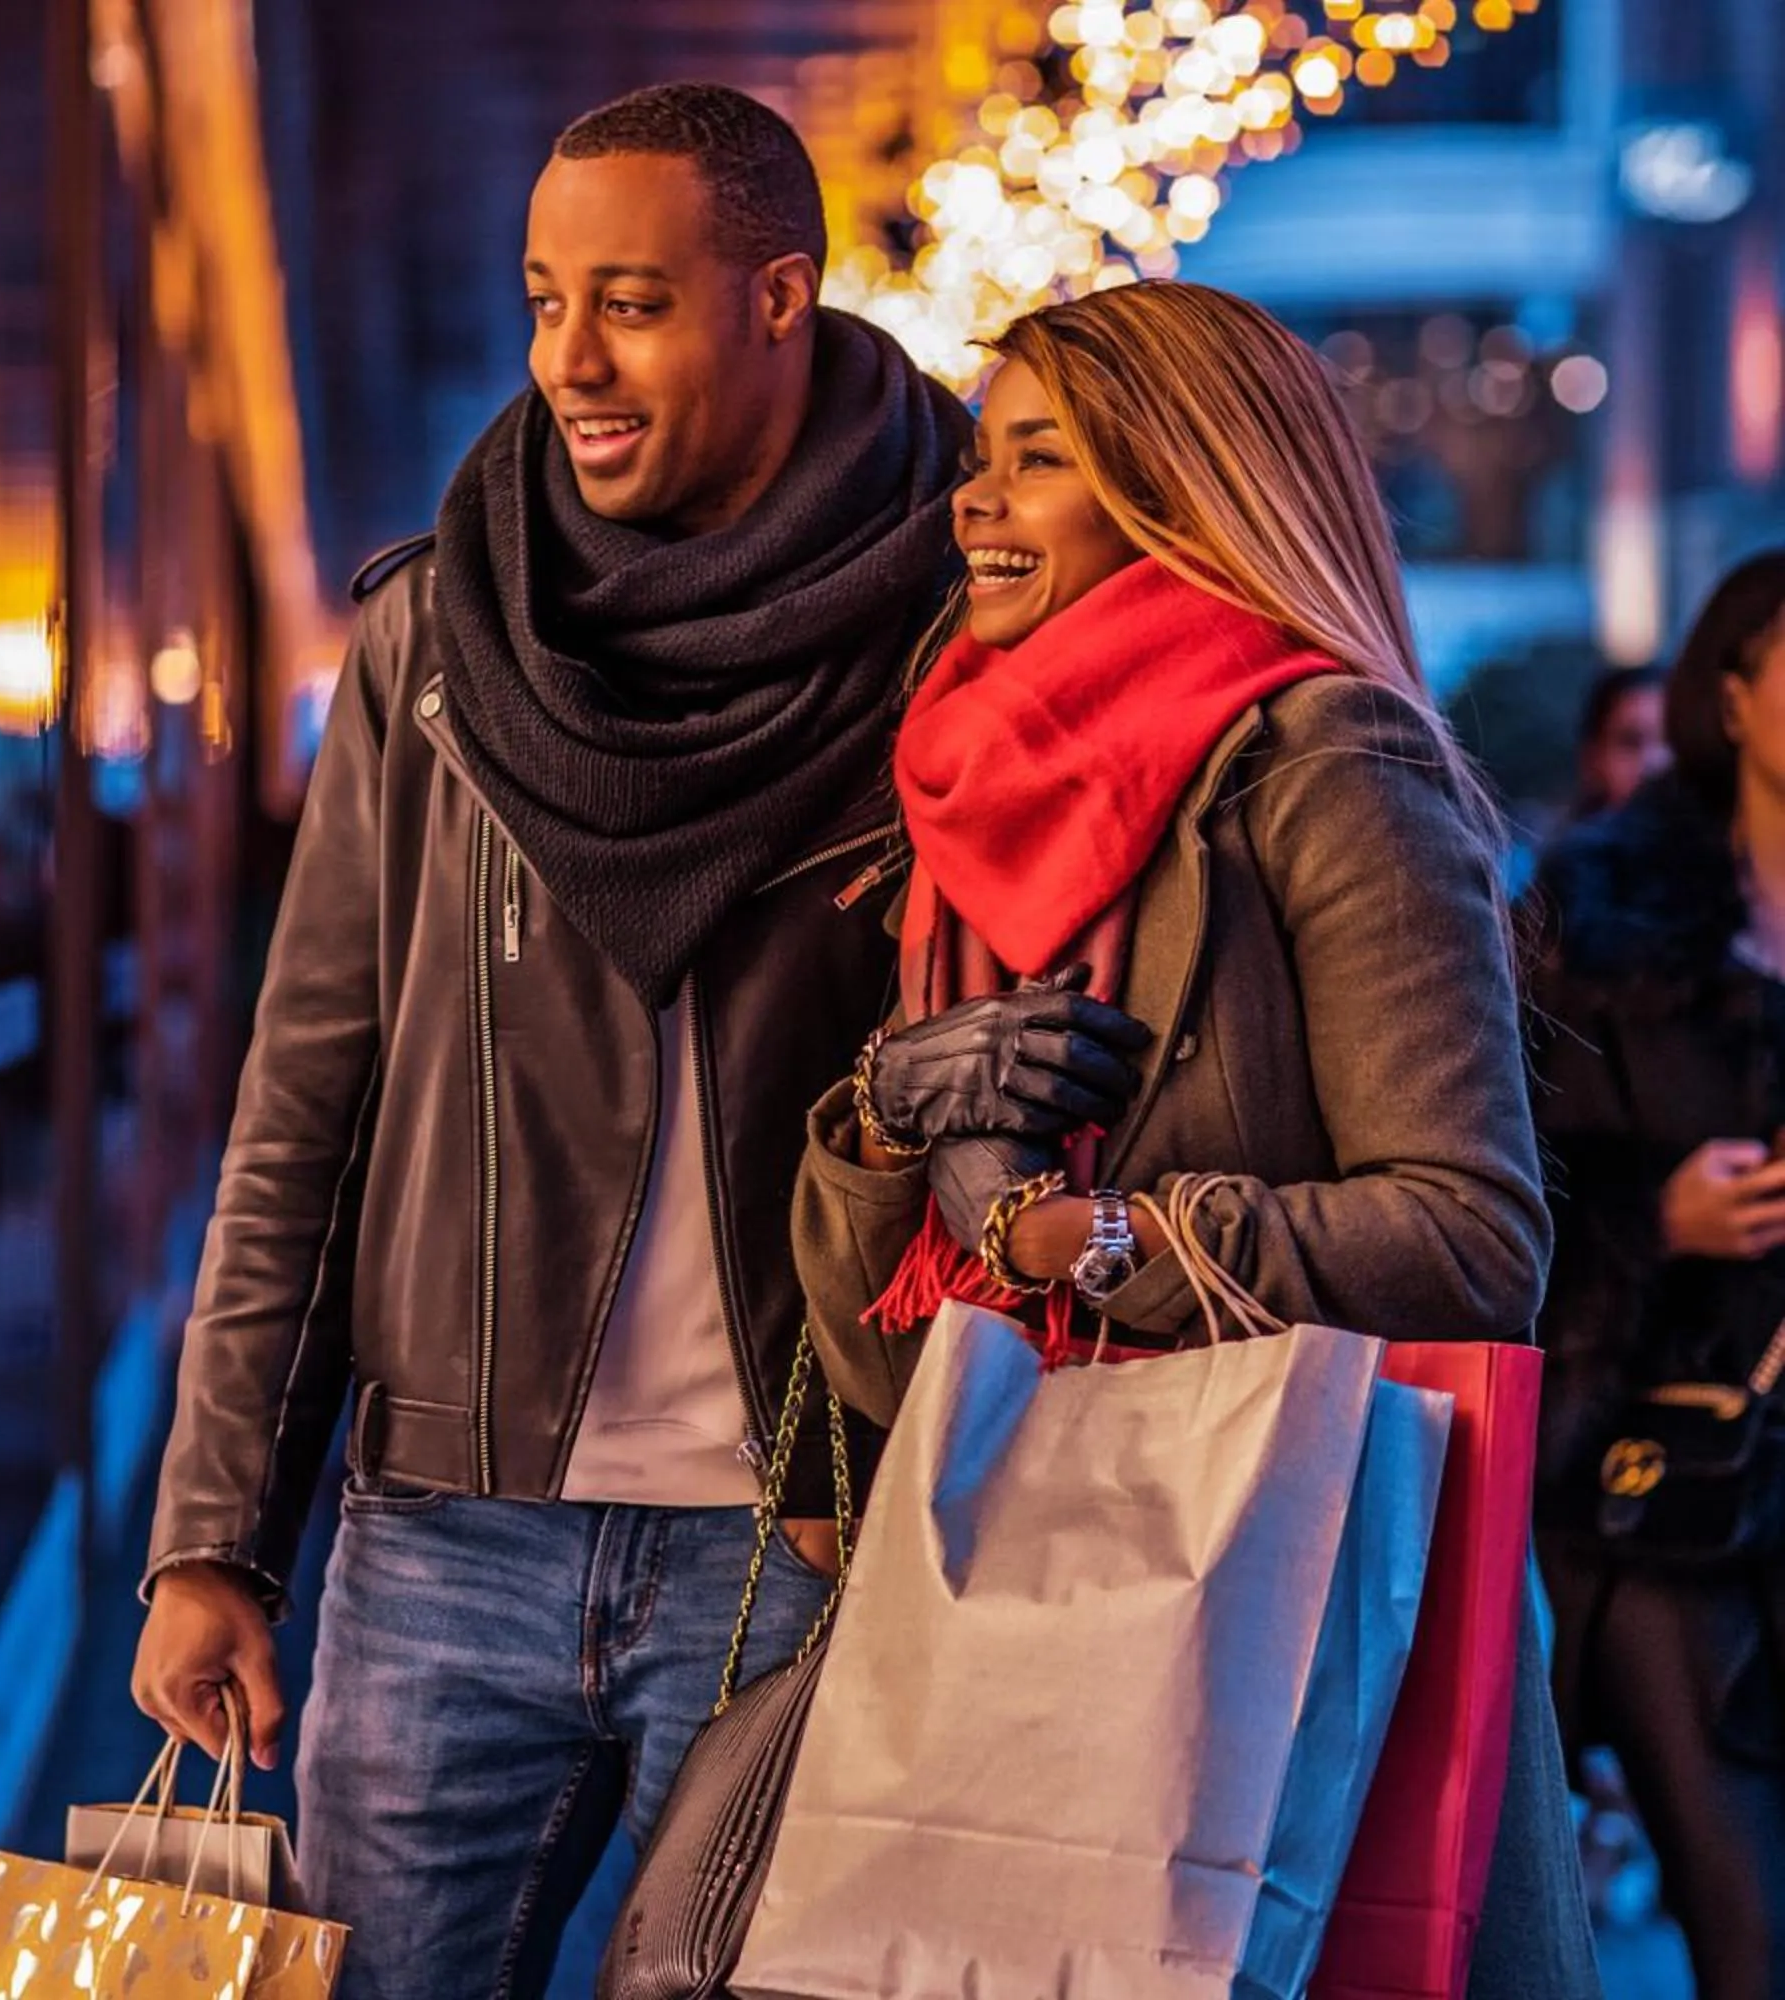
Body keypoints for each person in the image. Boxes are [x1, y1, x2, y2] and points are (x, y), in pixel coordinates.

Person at [131, 82, 967, 1995]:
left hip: (802, 1534)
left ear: (780, 297)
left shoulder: (948, 632)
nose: (568, 362)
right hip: (450, 1529)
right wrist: (213, 1535)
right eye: (539, 299)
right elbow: (305, 1111)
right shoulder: (438, 645)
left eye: (632, 303)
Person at [790, 280, 1599, 1994]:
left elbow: (1472, 1237)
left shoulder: (1325, 761)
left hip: (1282, 1606)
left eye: (1039, 461)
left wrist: (1103, 1243)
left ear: (1181, 488)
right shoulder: (962, 789)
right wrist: (879, 1126)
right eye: (979, 459)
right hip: (1003, 1577)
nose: (974, 501)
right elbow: (881, 1358)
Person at [1531, 550, 1785, 2000]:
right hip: (1670, 1490)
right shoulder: (1606, 912)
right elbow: (1507, 1197)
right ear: (1734, 699)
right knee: (1751, 1930)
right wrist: (1655, 1219)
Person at [1570, 663, 1672, 825]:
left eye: (1671, 741)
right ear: (1593, 759)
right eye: (1630, 742)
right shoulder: (1573, 848)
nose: (1654, 763)